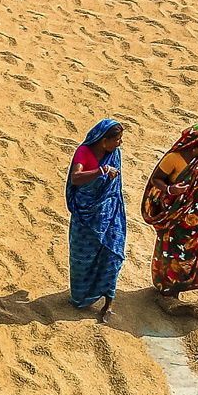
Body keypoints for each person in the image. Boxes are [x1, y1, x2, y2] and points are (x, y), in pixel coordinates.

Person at [141, 124, 198, 303]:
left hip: (195, 218)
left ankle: (178, 288)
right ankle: (167, 289)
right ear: (194, 144)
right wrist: (171, 189)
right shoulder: (174, 158)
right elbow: (156, 179)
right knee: (170, 251)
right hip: (174, 216)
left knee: (188, 254)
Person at [66, 120, 127, 323]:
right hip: (85, 215)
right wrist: (101, 172)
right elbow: (76, 178)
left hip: (110, 213)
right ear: (103, 141)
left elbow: (114, 186)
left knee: (110, 255)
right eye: (117, 139)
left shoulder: (114, 154)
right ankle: (80, 297)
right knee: (81, 257)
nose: (119, 144)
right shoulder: (83, 152)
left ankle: (108, 303)